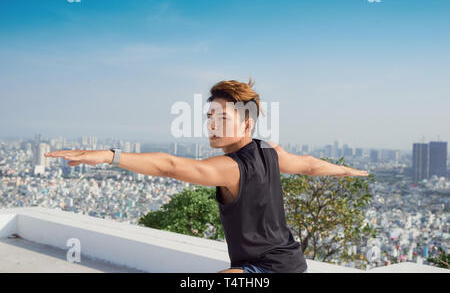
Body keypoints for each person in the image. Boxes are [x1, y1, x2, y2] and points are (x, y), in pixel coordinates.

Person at [45, 78, 369, 273]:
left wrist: (109, 156)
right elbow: (310, 165)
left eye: (223, 117)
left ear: (247, 124)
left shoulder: (229, 168)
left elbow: (170, 166)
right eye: (209, 115)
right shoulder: (272, 151)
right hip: (293, 265)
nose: (212, 125)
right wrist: (347, 170)